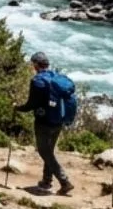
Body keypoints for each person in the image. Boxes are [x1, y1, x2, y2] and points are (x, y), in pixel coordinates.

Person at [16, 51, 76, 196]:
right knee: (50, 151)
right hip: (58, 121)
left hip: (43, 121)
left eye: (33, 63)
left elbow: (31, 104)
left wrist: (17, 107)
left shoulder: (37, 81)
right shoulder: (56, 77)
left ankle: (64, 181)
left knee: (44, 151)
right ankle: (46, 181)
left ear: (36, 64)